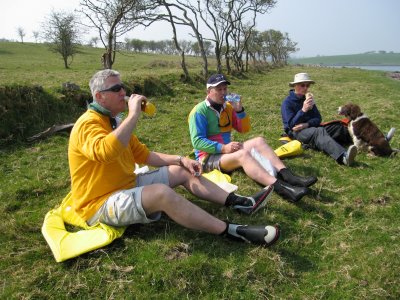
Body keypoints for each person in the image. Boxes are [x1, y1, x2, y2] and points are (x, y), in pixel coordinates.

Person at [67, 69, 281, 247]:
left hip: (125, 185)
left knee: (182, 170)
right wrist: (133, 115)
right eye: (116, 89)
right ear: (99, 97)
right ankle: (231, 231)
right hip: (98, 203)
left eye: (122, 87)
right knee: (162, 193)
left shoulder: (113, 122)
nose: (123, 92)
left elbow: (144, 155)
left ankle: (240, 203)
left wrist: (180, 159)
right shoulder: (88, 124)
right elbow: (105, 152)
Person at [188, 74, 317, 203]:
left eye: (225, 89)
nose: (223, 92)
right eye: (219, 90)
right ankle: (283, 188)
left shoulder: (227, 107)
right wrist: (223, 147)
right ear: (209, 91)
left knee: (259, 141)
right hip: (208, 157)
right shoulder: (199, 111)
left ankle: (288, 176)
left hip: (226, 151)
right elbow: (197, 141)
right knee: (242, 155)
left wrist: (239, 111)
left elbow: (244, 129)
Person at [281, 73, 357, 166]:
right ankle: (343, 157)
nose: (305, 88)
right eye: (302, 85)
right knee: (318, 131)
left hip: (311, 128)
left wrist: (307, 124)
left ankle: (359, 144)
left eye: (307, 85)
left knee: (338, 127)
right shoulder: (287, 103)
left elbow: (318, 118)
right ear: (295, 86)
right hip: (297, 133)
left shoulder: (308, 99)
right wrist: (303, 110)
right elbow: (291, 126)